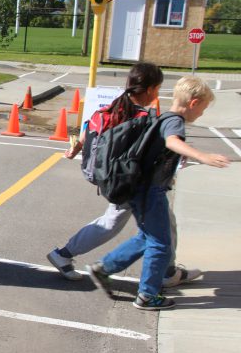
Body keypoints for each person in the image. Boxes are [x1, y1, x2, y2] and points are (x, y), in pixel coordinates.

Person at [46, 64, 199, 287]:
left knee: (124, 222)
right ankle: (166, 273)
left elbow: (87, 133)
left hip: (109, 177)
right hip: (131, 183)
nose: (157, 94)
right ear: (150, 90)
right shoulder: (142, 118)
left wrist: (75, 150)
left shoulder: (110, 109)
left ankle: (64, 254)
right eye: (157, 89)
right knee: (146, 227)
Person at [87, 76, 230, 310]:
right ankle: (147, 295)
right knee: (161, 244)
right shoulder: (175, 122)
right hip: (150, 192)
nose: (202, 114)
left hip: (142, 189)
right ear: (193, 103)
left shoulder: (163, 117)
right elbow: (173, 141)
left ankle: (104, 268)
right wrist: (201, 156)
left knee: (147, 238)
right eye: (203, 109)